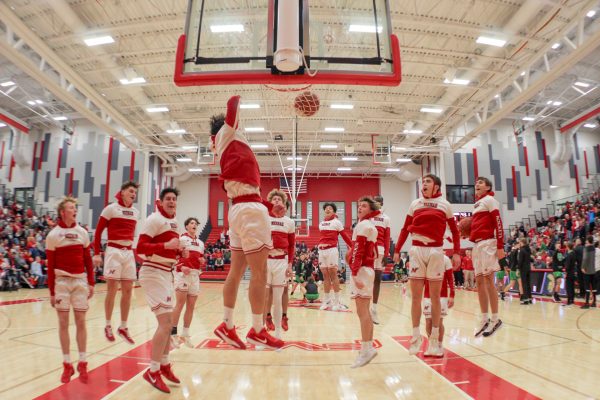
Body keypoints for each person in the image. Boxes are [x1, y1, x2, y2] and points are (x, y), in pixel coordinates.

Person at [211, 96, 284, 350]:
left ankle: (227, 325)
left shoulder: (226, 144)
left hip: (241, 208)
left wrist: (266, 205)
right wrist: (253, 79)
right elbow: (231, 104)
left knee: (237, 271)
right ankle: (257, 330)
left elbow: (245, 188)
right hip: (249, 210)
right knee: (260, 273)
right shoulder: (228, 133)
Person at [393, 174, 461, 357]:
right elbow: (404, 228)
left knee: (435, 298)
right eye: (423, 181)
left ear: (436, 187)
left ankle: (435, 340)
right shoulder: (415, 204)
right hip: (416, 250)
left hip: (436, 251)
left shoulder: (445, 204)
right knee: (416, 298)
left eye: (428, 182)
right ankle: (415, 336)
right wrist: (397, 249)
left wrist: (456, 252)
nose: (424, 184)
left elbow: (455, 231)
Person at [137, 188, 184, 393]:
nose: (172, 202)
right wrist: (167, 245)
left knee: (168, 323)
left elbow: (168, 249)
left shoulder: (174, 222)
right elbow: (140, 248)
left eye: (174, 199)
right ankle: (153, 370)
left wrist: (180, 251)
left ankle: (164, 364)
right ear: (161, 202)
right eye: (168, 199)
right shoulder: (154, 219)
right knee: (165, 324)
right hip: (152, 272)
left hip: (166, 272)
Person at [46, 197, 95, 383]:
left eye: (75, 207)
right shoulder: (53, 235)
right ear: (62, 212)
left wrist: (91, 282)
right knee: (63, 322)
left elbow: (88, 261)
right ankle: (67, 364)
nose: (74, 210)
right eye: (71, 207)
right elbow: (50, 266)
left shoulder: (82, 233)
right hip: (61, 283)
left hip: (80, 282)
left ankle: (83, 362)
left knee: (81, 321)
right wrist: (51, 292)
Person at [93, 181, 140, 344]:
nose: (133, 194)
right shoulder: (111, 209)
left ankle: (123, 327)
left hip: (128, 252)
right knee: (112, 290)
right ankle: (107, 325)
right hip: (113, 251)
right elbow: (98, 233)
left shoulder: (135, 212)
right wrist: (97, 253)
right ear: (122, 192)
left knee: (128, 291)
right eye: (131, 191)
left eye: (135, 192)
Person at [469, 177, 505, 337]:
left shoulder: (490, 200)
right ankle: (484, 318)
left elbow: (498, 223)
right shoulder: (477, 204)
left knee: (489, 280)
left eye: (481, 182)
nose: (477, 184)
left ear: (488, 187)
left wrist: (500, 247)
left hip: (488, 243)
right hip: (477, 245)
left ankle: (495, 319)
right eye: (476, 182)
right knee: (479, 281)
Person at [348, 196, 379, 368]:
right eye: (359, 205)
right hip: (368, 269)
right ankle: (368, 347)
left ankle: (367, 349)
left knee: (362, 313)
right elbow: (372, 251)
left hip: (362, 270)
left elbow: (358, 250)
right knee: (364, 311)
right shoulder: (371, 226)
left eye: (364, 206)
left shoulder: (362, 225)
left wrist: (354, 273)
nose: (360, 208)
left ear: (370, 209)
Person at [263, 190, 295, 339]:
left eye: (279, 199)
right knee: (266, 294)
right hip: (266, 259)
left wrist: (290, 265)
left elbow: (292, 245)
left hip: (281, 260)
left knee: (281, 294)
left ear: (284, 203)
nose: (276, 201)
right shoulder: (264, 218)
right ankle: (266, 319)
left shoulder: (289, 222)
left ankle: (282, 321)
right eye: (273, 199)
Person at [170, 217, 205, 349]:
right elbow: (174, 257)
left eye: (196, 223)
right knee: (179, 304)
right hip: (182, 275)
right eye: (191, 223)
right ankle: (172, 334)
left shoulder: (201, 243)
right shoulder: (182, 239)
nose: (194, 225)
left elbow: (200, 258)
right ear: (186, 227)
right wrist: (180, 266)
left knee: (191, 307)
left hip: (195, 275)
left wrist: (202, 261)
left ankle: (185, 334)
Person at [318, 202, 352, 311]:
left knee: (333, 275)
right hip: (321, 251)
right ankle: (327, 300)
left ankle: (337, 301)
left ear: (334, 211)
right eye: (326, 208)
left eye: (330, 209)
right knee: (325, 276)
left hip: (332, 250)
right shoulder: (321, 223)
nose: (328, 210)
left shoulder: (337, 222)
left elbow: (345, 236)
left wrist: (352, 246)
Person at [422, 255, 454, 357]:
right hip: (427, 295)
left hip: (442, 296)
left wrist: (452, 295)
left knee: (439, 322)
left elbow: (450, 279)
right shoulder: (425, 258)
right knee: (428, 321)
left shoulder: (446, 259)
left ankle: (439, 345)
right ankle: (431, 345)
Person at [369, 195, 391, 324]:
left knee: (377, 279)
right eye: (374, 202)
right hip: (368, 249)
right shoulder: (368, 216)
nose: (376, 203)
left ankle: (374, 309)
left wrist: (387, 254)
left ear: (381, 204)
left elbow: (387, 237)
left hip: (381, 249)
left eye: (378, 202)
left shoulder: (386, 218)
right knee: (367, 278)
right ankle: (365, 307)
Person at [580, 236, 596, 309]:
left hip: (587, 270)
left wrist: (583, 267)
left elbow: (585, 258)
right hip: (594, 270)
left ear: (587, 241)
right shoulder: (595, 249)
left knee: (587, 287)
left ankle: (586, 303)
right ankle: (594, 302)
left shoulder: (586, 248)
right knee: (594, 287)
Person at [518, 238, 533, 305]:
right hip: (528, 268)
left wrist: (518, 269)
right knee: (528, 283)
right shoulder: (528, 249)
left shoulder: (522, 250)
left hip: (523, 269)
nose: (519, 244)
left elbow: (520, 261)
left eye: (520, 242)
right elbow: (530, 259)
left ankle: (526, 300)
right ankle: (530, 299)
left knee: (524, 284)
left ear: (522, 242)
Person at [563, 242, 576, 306]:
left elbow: (567, 266)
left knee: (568, 287)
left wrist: (566, 273)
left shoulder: (569, 255)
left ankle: (569, 301)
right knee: (572, 287)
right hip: (573, 272)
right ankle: (572, 300)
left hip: (569, 273)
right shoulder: (574, 254)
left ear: (568, 247)